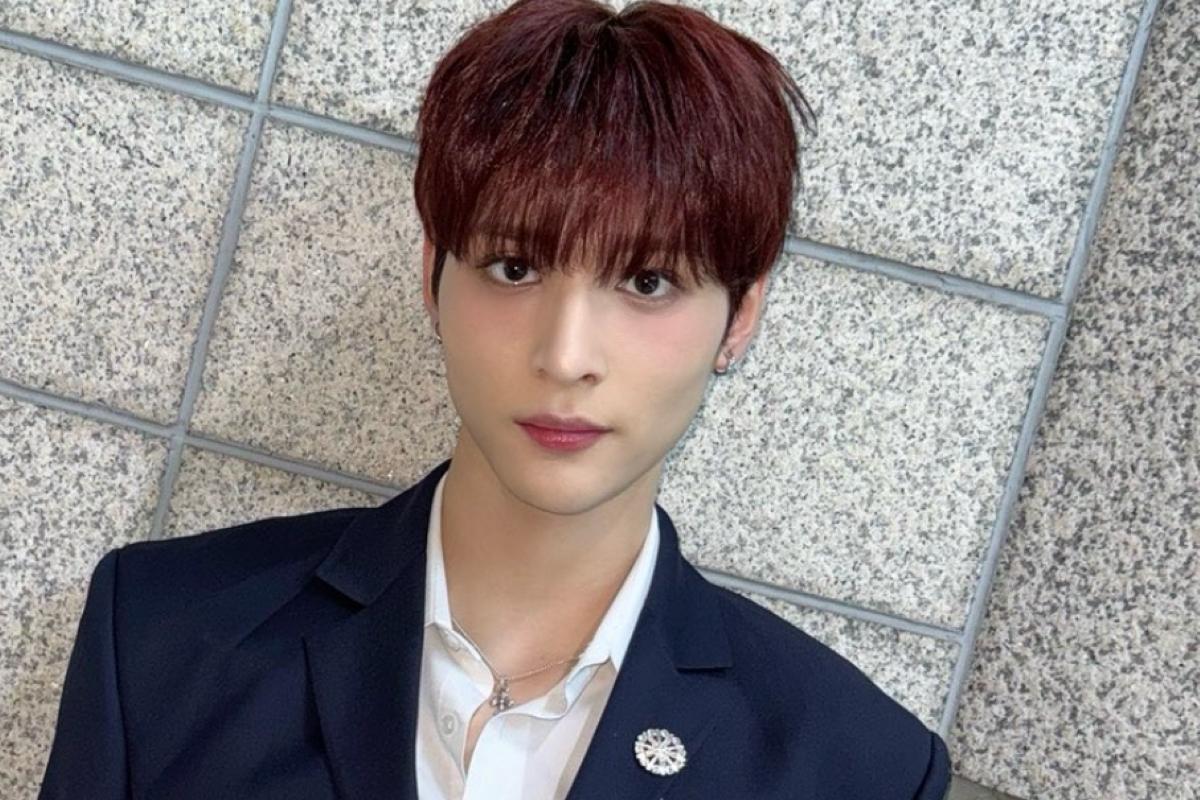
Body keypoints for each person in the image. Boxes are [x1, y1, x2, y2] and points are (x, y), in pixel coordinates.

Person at [38, 0, 951, 798]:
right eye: (514, 267)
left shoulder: (855, 767)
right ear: (433, 273)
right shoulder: (163, 637)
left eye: (648, 282)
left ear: (740, 314)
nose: (566, 356)